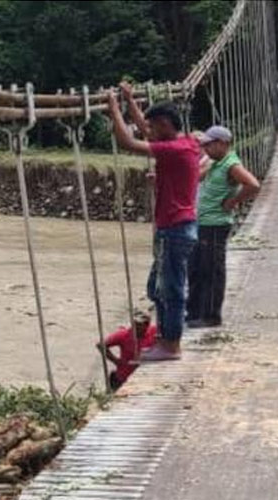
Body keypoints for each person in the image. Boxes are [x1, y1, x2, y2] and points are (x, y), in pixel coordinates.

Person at [109, 82, 200, 361]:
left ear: (163, 124)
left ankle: (171, 346)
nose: (148, 132)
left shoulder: (174, 150)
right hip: (175, 228)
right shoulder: (185, 142)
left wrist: (113, 107)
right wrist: (130, 101)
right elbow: (147, 130)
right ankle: (165, 339)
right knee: (157, 288)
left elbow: (128, 142)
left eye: (153, 126)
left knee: (170, 289)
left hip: (174, 229)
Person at [186, 126, 260, 328]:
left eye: (209, 145)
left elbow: (253, 185)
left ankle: (211, 316)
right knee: (197, 268)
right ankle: (195, 311)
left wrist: (232, 202)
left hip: (215, 225)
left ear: (223, 144)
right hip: (204, 224)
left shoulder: (231, 165)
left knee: (212, 270)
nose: (206, 149)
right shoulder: (217, 163)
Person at [97, 309, 157, 390]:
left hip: (145, 377)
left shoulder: (154, 331)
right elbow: (101, 345)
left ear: (147, 324)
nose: (137, 326)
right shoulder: (124, 334)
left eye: (140, 324)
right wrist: (116, 361)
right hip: (123, 377)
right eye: (135, 323)